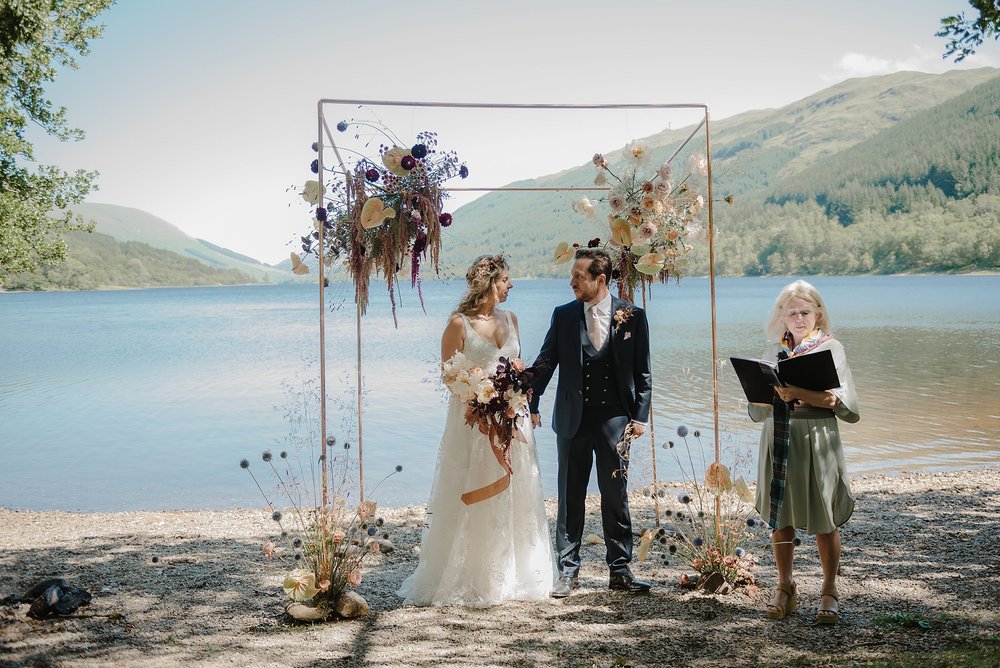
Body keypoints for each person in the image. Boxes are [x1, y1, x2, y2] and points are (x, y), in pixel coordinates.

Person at [397, 255, 555, 607]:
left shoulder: (512, 319)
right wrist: (479, 397)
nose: (510, 285)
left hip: (513, 420)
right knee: (471, 485)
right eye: (506, 280)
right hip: (473, 422)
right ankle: (471, 573)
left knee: (518, 488)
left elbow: (516, 367)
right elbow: (449, 375)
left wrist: (515, 388)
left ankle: (514, 572)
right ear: (489, 283)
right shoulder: (459, 324)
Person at [529, 248, 653, 598]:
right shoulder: (564, 315)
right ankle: (568, 571)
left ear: (601, 280)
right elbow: (546, 361)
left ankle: (620, 570)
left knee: (616, 494)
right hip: (572, 417)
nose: (572, 282)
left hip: (616, 417)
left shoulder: (632, 316)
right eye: (573, 276)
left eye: (579, 277)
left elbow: (643, 371)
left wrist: (640, 416)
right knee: (570, 494)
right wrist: (532, 400)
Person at [748, 279, 860, 625]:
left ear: (818, 313)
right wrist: (755, 389)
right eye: (791, 312)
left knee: (824, 516)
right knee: (781, 517)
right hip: (778, 434)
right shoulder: (774, 351)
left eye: (805, 311)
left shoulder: (831, 348)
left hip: (817, 436)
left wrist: (798, 391)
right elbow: (757, 407)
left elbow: (838, 402)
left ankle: (829, 589)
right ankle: (785, 587)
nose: (798, 318)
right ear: (782, 315)